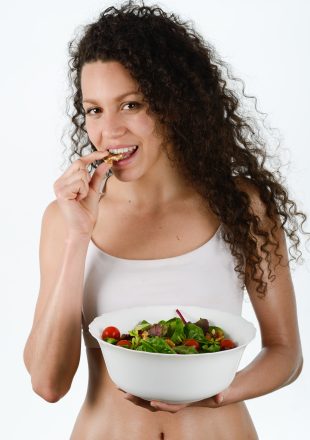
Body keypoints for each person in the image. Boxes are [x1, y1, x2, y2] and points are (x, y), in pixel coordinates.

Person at [23, 2, 307, 439]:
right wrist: (78, 237)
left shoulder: (241, 204)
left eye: (131, 104)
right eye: (95, 110)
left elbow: (286, 354)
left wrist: (217, 394)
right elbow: (47, 383)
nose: (109, 131)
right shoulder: (65, 219)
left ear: (174, 105)